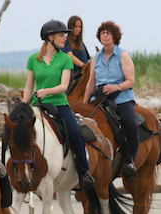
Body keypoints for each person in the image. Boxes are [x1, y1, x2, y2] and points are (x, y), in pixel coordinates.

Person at [23, 19, 94, 190]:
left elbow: (63, 86)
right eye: (62, 36)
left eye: (65, 36)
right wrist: (22, 106)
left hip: (59, 104)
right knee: (16, 131)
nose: (65, 39)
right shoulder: (33, 59)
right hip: (37, 105)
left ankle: (84, 172)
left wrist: (46, 91)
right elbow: (28, 86)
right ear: (50, 38)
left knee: (76, 132)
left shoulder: (65, 59)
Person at [82, 20, 138, 179]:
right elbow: (91, 83)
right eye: (102, 33)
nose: (105, 35)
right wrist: (84, 104)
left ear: (114, 36)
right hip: (100, 98)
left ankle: (130, 161)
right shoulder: (96, 58)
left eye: (108, 33)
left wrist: (116, 87)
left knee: (131, 124)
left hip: (121, 97)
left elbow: (131, 81)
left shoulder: (123, 55)